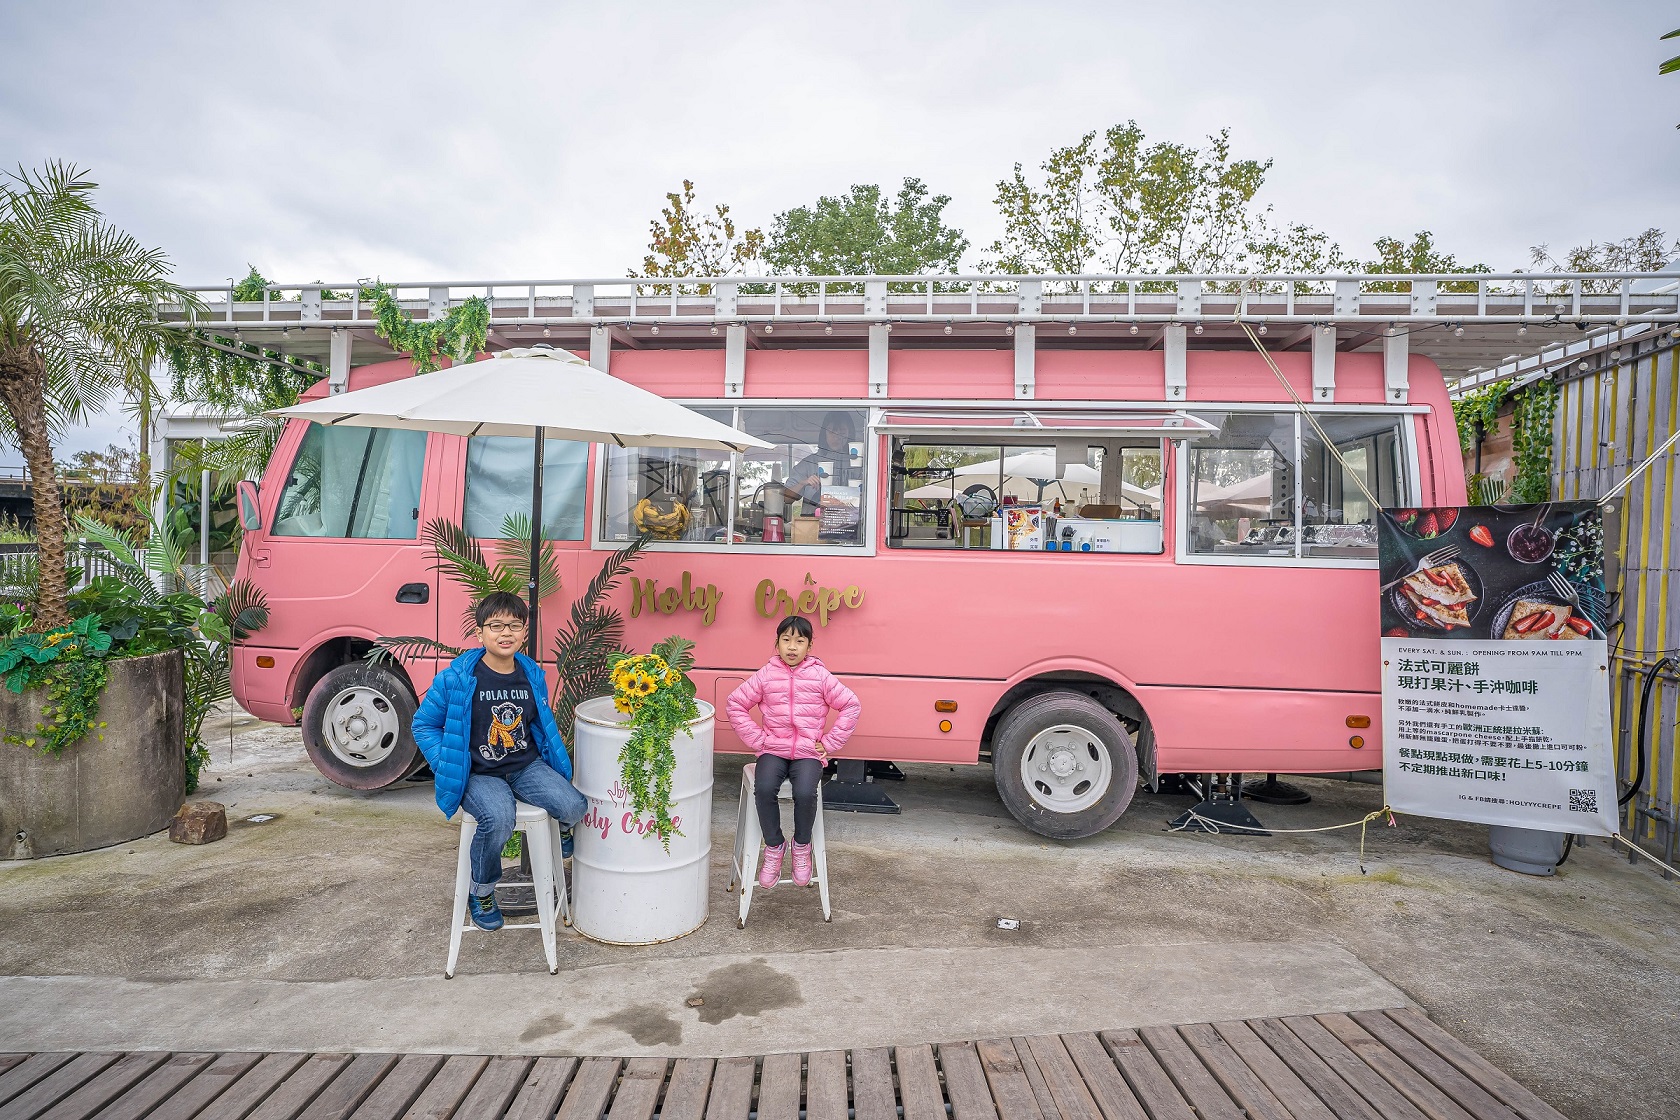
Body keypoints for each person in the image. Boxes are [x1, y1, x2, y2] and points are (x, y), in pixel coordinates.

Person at [412, 591, 586, 932]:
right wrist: (447, 761)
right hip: (479, 773)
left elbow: (538, 722)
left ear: (524, 633)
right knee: (499, 819)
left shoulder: (531, 673)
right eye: (496, 626)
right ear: (479, 633)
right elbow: (423, 724)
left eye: (514, 625)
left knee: (575, 805)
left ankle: (563, 830)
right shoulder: (457, 678)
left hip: (525, 766)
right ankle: (482, 891)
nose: (505, 633)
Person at [726, 615, 861, 890]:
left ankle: (801, 846)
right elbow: (735, 703)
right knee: (763, 789)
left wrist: (831, 742)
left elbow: (851, 705)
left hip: (808, 753)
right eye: (786, 640)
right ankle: (774, 847)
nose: (792, 647)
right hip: (772, 750)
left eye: (799, 641)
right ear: (776, 643)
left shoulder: (819, 675)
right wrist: (757, 739)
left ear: (809, 646)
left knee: (804, 793)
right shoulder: (766, 674)